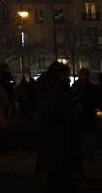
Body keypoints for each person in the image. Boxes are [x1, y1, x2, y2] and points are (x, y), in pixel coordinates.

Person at [36, 62, 83, 193]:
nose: (69, 79)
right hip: (61, 138)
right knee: (62, 172)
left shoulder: (46, 90)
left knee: (54, 173)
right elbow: (64, 115)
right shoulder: (59, 92)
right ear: (60, 75)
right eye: (67, 75)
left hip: (51, 138)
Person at [70, 67, 98, 164]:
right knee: (87, 137)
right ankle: (88, 157)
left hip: (82, 116)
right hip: (87, 116)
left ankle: (85, 156)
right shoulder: (91, 87)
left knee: (84, 137)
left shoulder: (75, 86)